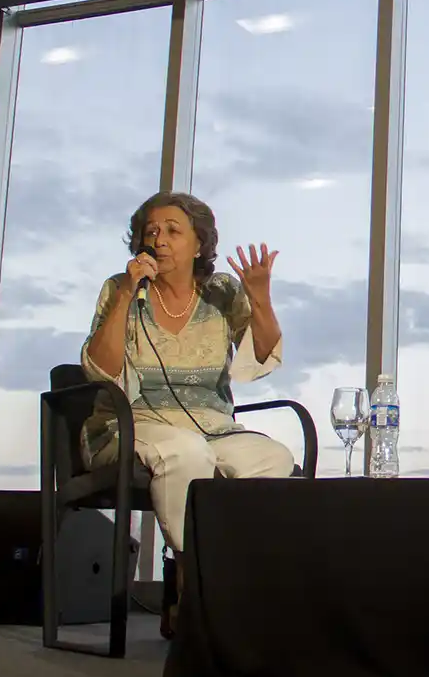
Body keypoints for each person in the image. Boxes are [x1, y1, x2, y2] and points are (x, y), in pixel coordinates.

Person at [80, 192, 296, 636]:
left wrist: (260, 298)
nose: (159, 239)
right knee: (185, 452)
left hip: (213, 426)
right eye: (151, 231)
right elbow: (100, 369)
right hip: (132, 425)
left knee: (274, 459)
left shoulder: (221, 294)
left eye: (173, 230)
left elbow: (262, 354)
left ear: (199, 244)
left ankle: (229, 572)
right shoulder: (121, 290)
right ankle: (188, 574)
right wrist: (126, 292)